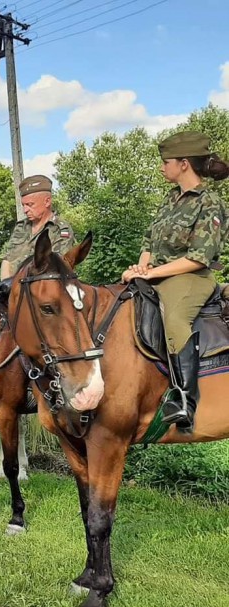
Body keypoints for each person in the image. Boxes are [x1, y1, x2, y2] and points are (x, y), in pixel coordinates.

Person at [121, 131, 229, 433]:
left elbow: (199, 257)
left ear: (184, 164)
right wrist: (139, 269)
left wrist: (151, 274)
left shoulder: (210, 202)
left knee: (176, 317)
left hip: (191, 278)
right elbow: (149, 243)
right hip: (158, 274)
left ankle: (184, 399)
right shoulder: (170, 200)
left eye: (165, 162)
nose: (161, 167)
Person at [0, 175, 76, 280]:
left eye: (30, 204)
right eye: (23, 205)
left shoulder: (60, 229)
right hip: (13, 290)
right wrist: (7, 285)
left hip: (41, 290)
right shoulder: (21, 227)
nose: (25, 210)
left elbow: (56, 267)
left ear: (47, 201)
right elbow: (8, 259)